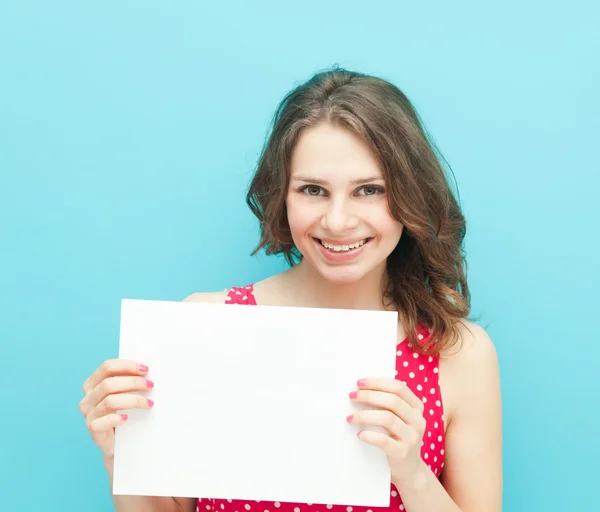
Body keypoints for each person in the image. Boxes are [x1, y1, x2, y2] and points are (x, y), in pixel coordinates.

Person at [79, 67, 502, 512]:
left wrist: (410, 472)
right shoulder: (209, 324)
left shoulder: (459, 354)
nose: (338, 221)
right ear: (283, 195)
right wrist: (118, 452)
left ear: (410, 196)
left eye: (369, 190)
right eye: (313, 190)